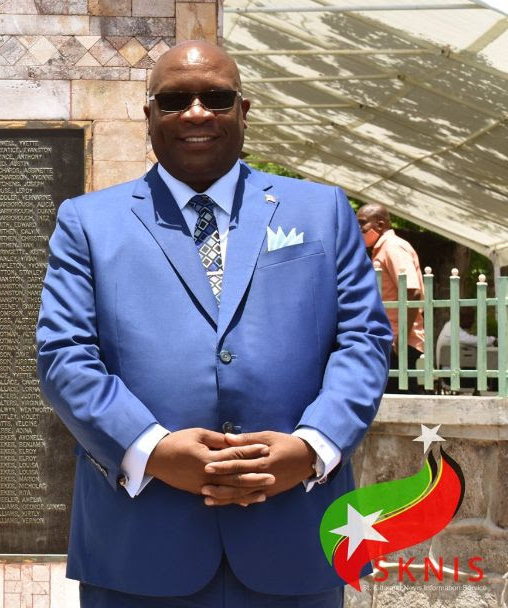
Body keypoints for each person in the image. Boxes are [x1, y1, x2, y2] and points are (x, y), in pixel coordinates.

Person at [36, 41, 391, 607]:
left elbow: (363, 340)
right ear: (148, 114)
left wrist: (312, 447)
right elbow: (65, 356)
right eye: (175, 100)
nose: (196, 112)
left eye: (216, 98)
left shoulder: (322, 212)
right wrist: (152, 449)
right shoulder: (87, 223)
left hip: (296, 537)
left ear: (243, 111)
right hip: (139, 546)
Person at [356, 203, 426, 392]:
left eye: (362, 223)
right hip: (389, 338)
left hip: (397, 341)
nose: (358, 229)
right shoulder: (383, 249)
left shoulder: (393, 247)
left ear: (380, 224)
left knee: (401, 395)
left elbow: (413, 292)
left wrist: (400, 339)